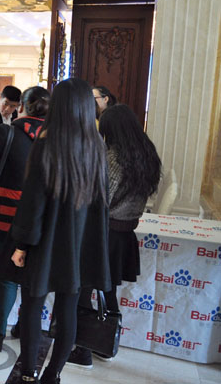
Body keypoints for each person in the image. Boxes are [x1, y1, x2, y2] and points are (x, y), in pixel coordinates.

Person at [9, 78, 111, 384]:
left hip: (45, 242)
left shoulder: (47, 144)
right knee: (68, 310)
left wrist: (21, 245)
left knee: (32, 307)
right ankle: (52, 375)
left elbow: (33, 203)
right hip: (78, 245)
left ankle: (29, 373)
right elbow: (101, 206)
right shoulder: (97, 148)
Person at [67, 104, 161, 369]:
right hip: (124, 233)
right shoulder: (147, 154)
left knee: (84, 289)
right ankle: (107, 344)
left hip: (103, 233)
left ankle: (83, 350)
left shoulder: (113, 158)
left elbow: (100, 200)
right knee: (108, 289)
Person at [0, 86, 50, 352]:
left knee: (7, 275)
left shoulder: (6, 133)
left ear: (22, 107)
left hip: (7, 218)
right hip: (44, 220)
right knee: (35, 277)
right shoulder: (59, 140)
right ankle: (24, 326)